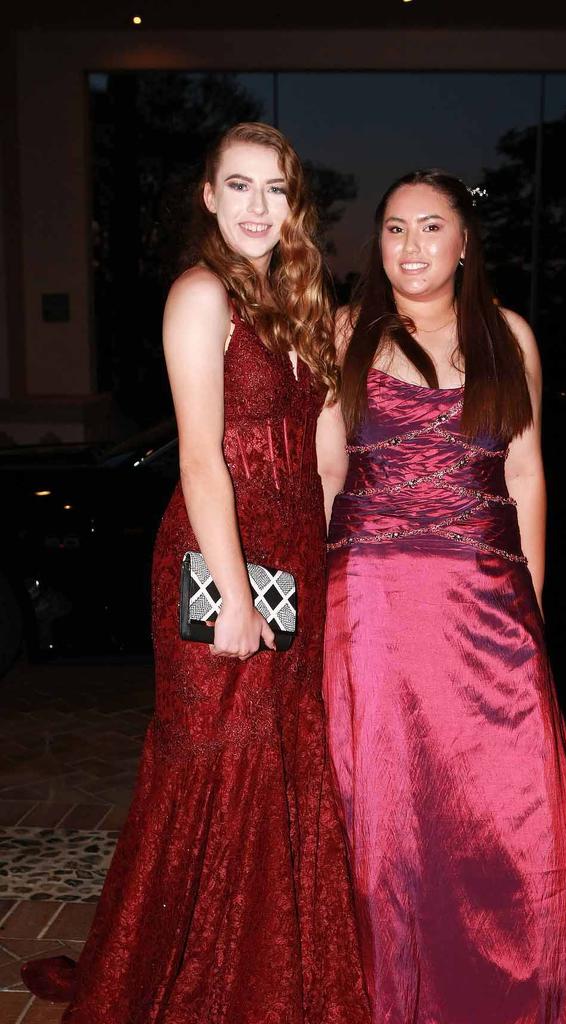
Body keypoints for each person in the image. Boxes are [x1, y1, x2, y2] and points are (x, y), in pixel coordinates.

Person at [22, 123, 369, 1024]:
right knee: (211, 770)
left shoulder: (297, 301)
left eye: (276, 189)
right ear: (209, 198)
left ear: (295, 204)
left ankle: (271, 975)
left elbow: (326, 457)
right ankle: (193, 980)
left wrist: (326, 563)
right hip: (219, 560)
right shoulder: (201, 294)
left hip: (294, 554)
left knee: (284, 768)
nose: (259, 206)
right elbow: (202, 458)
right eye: (239, 186)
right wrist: (239, 592)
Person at [316, 170, 566, 1023]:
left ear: (465, 242)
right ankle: (392, 991)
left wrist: (533, 607)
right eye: (395, 229)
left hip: (485, 598)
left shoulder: (507, 334)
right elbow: (329, 472)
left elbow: (525, 472)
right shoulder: (344, 331)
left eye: (430, 227)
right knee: (387, 808)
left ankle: (512, 983)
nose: (410, 246)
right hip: (368, 598)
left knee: (506, 803)